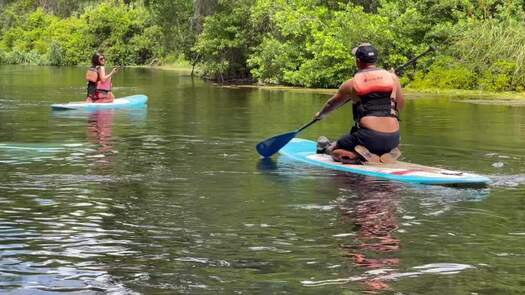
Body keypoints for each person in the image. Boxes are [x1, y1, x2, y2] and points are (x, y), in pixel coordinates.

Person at [314, 43, 404, 164]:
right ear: (375, 59)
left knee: (333, 150)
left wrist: (320, 115)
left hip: (368, 137)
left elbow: (331, 105)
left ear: (357, 61)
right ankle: (384, 153)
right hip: (394, 138)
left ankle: (357, 156)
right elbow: (400, 106)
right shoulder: (393, 78)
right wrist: (391, 76)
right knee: (362, 139)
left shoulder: (351, 84)